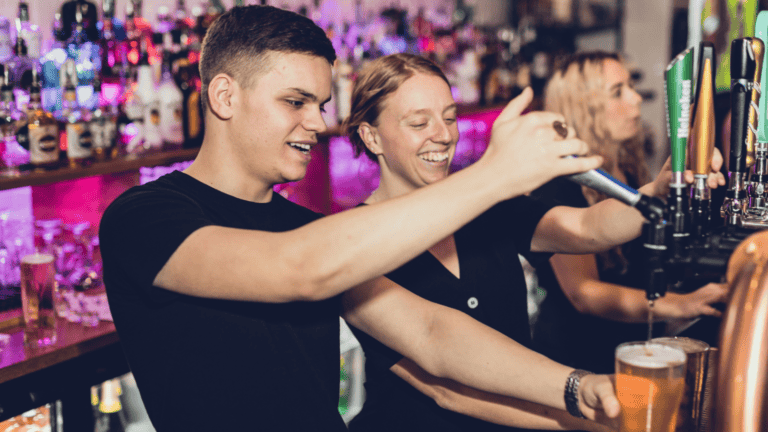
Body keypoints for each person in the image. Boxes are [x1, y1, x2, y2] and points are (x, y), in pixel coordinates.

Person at [98, 6, 620, 431]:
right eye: (296, 102)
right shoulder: (146, 217)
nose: (317, 123)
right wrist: (494, 176)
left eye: (321, 104)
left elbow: (432, 333)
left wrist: (576, 387)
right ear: (224, 96)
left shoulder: (305, 226)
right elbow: (297, 270)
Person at [339, 53, 724, 432]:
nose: (443, 134)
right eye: (419, 122)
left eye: (450, 117)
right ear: (372, 136)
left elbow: (586, 226)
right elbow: (446, 384)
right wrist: (585, 409)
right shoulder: (351, 244)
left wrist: (658, 191)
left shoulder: (484, 204)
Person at [529, 51, 728, 374]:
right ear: (582, 107)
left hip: (632, 346)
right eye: (617, 91)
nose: (636, 98)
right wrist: (681, 304)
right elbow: (584, 293)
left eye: (631, 86)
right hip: (579, 360)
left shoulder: (629, 170)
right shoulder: (559, 183)